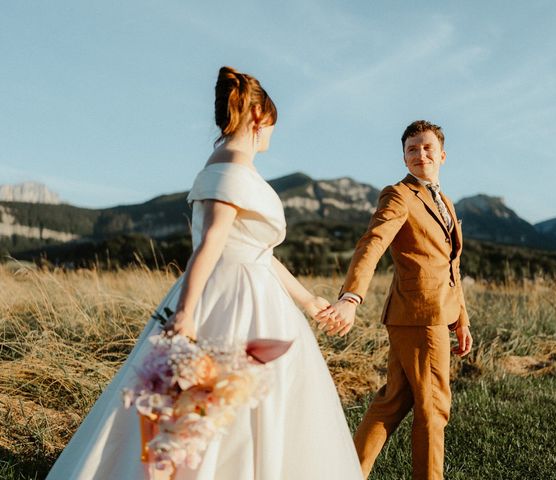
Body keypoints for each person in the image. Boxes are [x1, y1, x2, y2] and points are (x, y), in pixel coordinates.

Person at [46, 66, 362, 480]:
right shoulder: (228, 168)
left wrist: (306, 300)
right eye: (271, 126)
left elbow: (259, 252)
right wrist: (187, 314)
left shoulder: (234, 168)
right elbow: (211, 243)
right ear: (257, 118)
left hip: (257, 292)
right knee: (216, 402)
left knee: (249, 403)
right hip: (232, 300)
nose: (271, 135)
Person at [318, 120, 473, 480]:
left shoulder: (444, 200)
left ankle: (346, 472)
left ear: (442, 155)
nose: (420, 154)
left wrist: (461, 318)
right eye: (412, 149)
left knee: (394, 401)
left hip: (432, 312)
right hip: (419, 316)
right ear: (404, 158)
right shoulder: (399, 195)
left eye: (427, 147)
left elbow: (452, 265)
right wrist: (351, 297)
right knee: (434, 407)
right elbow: (372, 243)